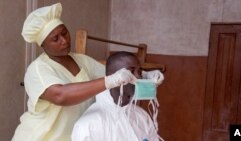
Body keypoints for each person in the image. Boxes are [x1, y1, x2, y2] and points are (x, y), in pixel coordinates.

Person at [12, 3, 164, 141]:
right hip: (41, 137)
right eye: (55, 39)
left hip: (73, 135)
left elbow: (115, 74)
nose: (64, 40)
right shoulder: (38, 69)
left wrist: (144, 76)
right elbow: (60, 95)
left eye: (64, 33)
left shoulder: (81, 60)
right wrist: (110, 81)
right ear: (43, 44)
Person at [71, 51, 164, 141]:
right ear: (114, 77)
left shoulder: (142, 116)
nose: (138, 77)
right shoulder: (89, 125)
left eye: (139, 72)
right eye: (131, 72)